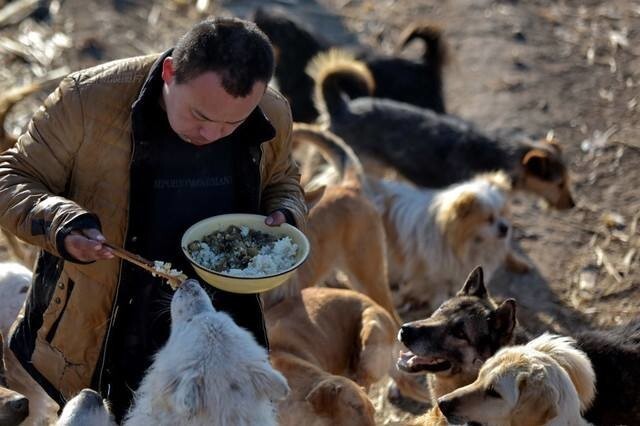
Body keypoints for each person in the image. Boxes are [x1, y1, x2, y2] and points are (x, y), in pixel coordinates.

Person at [0, 17, 307, 421]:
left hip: (215, 321)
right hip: (105, 320)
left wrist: (284, 213)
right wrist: (63, 223)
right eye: (200, 115)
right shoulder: (86, 100)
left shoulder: (271, 111)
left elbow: (283, 179)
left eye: (232, 124)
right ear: (169, 73)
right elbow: (11, 180)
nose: (212, 133)